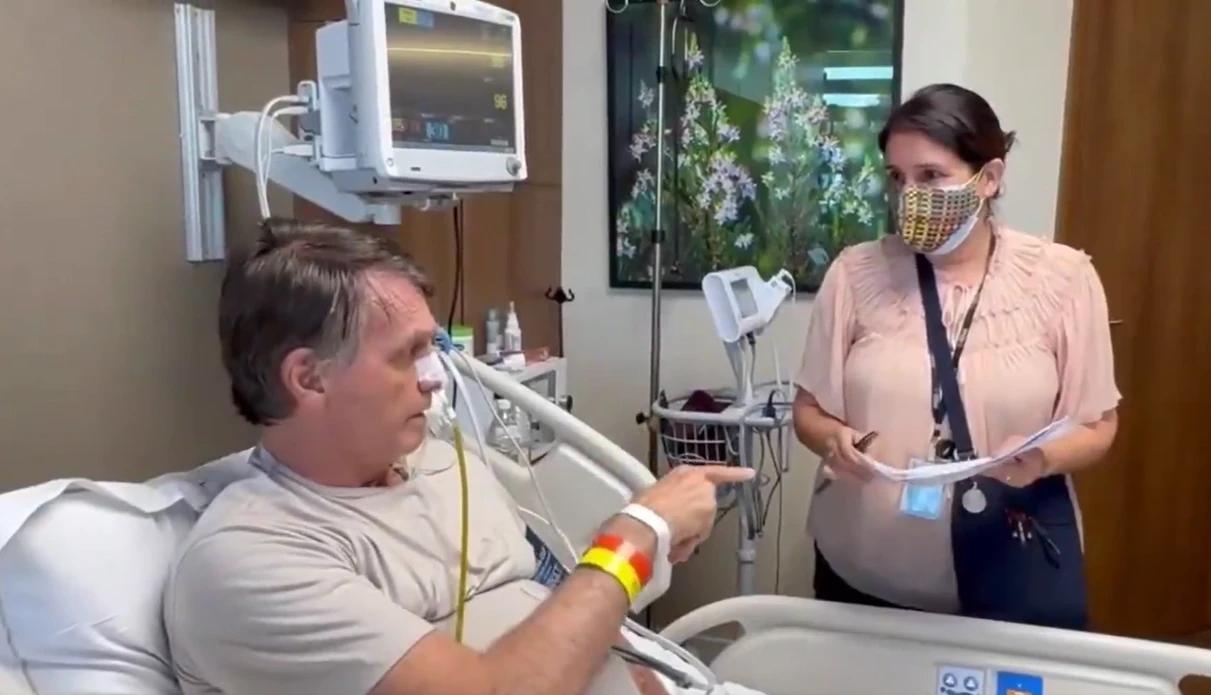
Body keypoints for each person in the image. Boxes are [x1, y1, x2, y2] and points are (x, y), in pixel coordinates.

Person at [163, 220, 754, 695]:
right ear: (309, 378)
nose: (435, 380)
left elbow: (557, 602)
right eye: (408, 354)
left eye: (434, 349)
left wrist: (641, 552)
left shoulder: (442, 461)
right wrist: (636, 536)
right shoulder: (254, 560)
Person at [792, 84, 1120, 627]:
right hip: (863, 576)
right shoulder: (855, 273)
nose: (909, 195)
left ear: (988, 179)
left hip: (1007, 575)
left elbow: (1099, 425)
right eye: (897, 178)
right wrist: (833, 439)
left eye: (930, 176)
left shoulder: (1063, 279)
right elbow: (808, 411)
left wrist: (1041, 459)